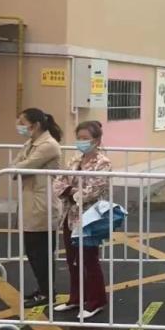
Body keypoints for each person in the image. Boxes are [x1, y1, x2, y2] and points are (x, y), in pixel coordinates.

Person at [51, 121, 111, 319]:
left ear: (97, 140)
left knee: (89, 259)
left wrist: (72, 191)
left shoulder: (103, 163)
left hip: (89, 218)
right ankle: (76, 297)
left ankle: (96, 301)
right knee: (72, 260)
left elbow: (93, 191)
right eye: (79, 138)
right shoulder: (75, 160)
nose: (82, 142)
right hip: (70, 216)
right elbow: (58, 183)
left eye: (86, 138)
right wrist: (72, 191)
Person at [11, 108, 62, 307]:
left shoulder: (48, 145)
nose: (19, 127)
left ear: (36, 124)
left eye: (22, 123)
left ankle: (48, 293)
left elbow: (21, 167)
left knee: (41, 253)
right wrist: (16, 168)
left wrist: (17, 168)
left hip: (42, 205)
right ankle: (43, 289)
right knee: (33, 251)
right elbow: (14, 166)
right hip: (30, 203)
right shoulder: (31, 143)